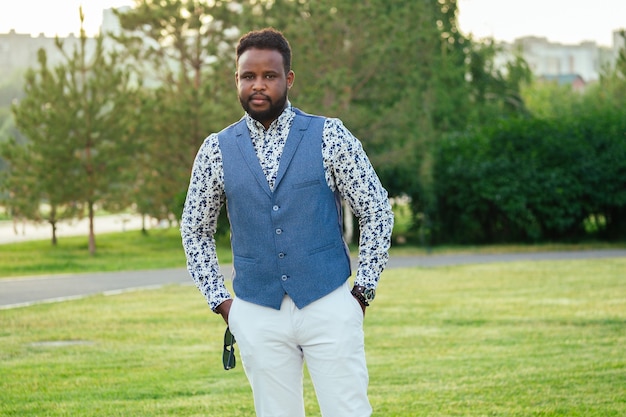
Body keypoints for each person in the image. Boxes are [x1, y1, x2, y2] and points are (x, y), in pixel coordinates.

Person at [180, 27, 394, 417]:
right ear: (237, 80)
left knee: (348, 411)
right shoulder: (216, 149)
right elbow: (194, 229)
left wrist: (362, 293)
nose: (258, 85)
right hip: (256, 311)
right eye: (248, 76)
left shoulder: (330, 135)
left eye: (269, 76)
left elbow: (377, 209)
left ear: (288, 79)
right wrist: (223, 304)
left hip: (327, 302)